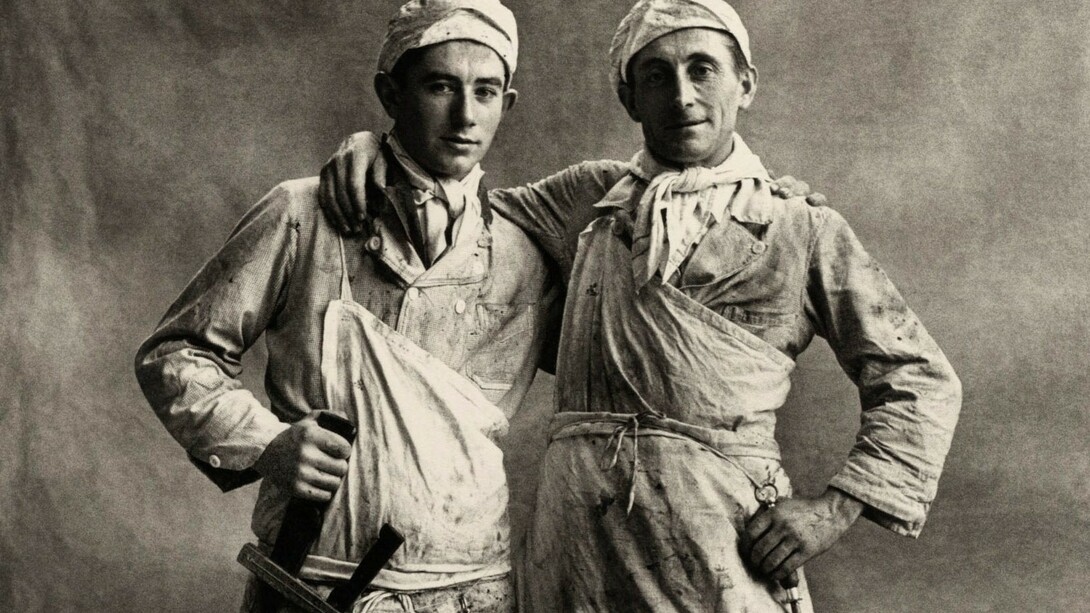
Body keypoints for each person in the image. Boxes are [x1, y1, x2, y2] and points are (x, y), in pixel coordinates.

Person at [319, 1, 961, 611]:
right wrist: (377, 147)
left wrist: (833, 511)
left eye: (703, 69)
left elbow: (918, 379)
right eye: (656, 76)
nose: (682, 96)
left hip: (718, 543)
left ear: (745, 83)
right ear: (630, 97)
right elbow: (453, 202)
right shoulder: (586, 200)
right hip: (577, 544)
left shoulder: (798, 227)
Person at [135, 1, 620, 610]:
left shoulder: (526, 248)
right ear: (391, 94)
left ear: (508, 103)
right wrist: (266, 443)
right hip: (310, 582)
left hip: (474, 588)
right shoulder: (303, 215)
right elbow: (176, 353)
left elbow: (621, 389)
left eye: (486, 91)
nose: (466, 115)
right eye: (440, 87)